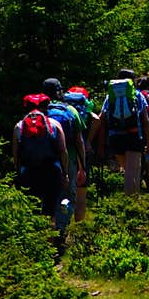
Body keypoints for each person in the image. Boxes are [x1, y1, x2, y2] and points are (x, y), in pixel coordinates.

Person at [12, 93, 69, 229]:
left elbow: (15, 155)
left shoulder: (19, 127)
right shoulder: (54, 124)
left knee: (32, 210)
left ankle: (33, 245)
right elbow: (63, 151)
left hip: (29, 172)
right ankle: (50, 246)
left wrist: (18, 173)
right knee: (50, 212)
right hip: (51, 171)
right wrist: (65, 173)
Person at [96, 68, 149, 195]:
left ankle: (131, 201)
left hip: (115, 137)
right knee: (133, 173)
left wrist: (100, 143)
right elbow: (146, 120)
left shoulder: (110, 96)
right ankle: (131, 206)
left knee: (128, 171)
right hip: (133, 135)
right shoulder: (137, 95)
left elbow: (102, 118)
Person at [43, 78, 86, 229]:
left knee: (47, 196)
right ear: (60, 92)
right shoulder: (70, 110)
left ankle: (46, 231)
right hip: (69, 160)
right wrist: (83, 166)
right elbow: (79, 141)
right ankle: (61, 230)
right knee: (67, 196)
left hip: (44, 161)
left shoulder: (40, 112)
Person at [62, 85, 99, 221]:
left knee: (63, 192)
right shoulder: (86, 111)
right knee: (81, 191)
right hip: (82, 153)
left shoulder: (65, 109)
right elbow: (96, 119)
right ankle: (79, 225)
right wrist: (89, 140)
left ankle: (60, 226)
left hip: (64, 154)